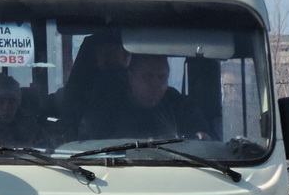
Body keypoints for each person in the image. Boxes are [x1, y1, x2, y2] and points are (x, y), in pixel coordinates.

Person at [80, 54, 210, 141]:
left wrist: (200, 138)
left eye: (161, 77)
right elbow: (90, 150)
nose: (156, 84)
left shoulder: (183, 107)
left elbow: (207, 143)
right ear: (130, 77)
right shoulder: (107, 108)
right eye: (147, 76)